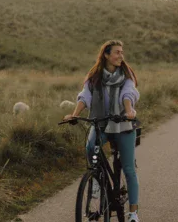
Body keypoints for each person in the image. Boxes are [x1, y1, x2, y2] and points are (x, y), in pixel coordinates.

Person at [63, 40, 140, 222]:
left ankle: (133, 214)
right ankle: (96, 180)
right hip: (102, 123)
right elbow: (85, 96)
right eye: (117, 52)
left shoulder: (126, 75)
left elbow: (128, 94)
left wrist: (128, 111)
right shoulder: (94, 77)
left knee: (129, 169)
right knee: (91, 147)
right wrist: (75, 114)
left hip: (122, 124)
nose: (121, 56)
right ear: (106, 55)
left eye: (122, 52)